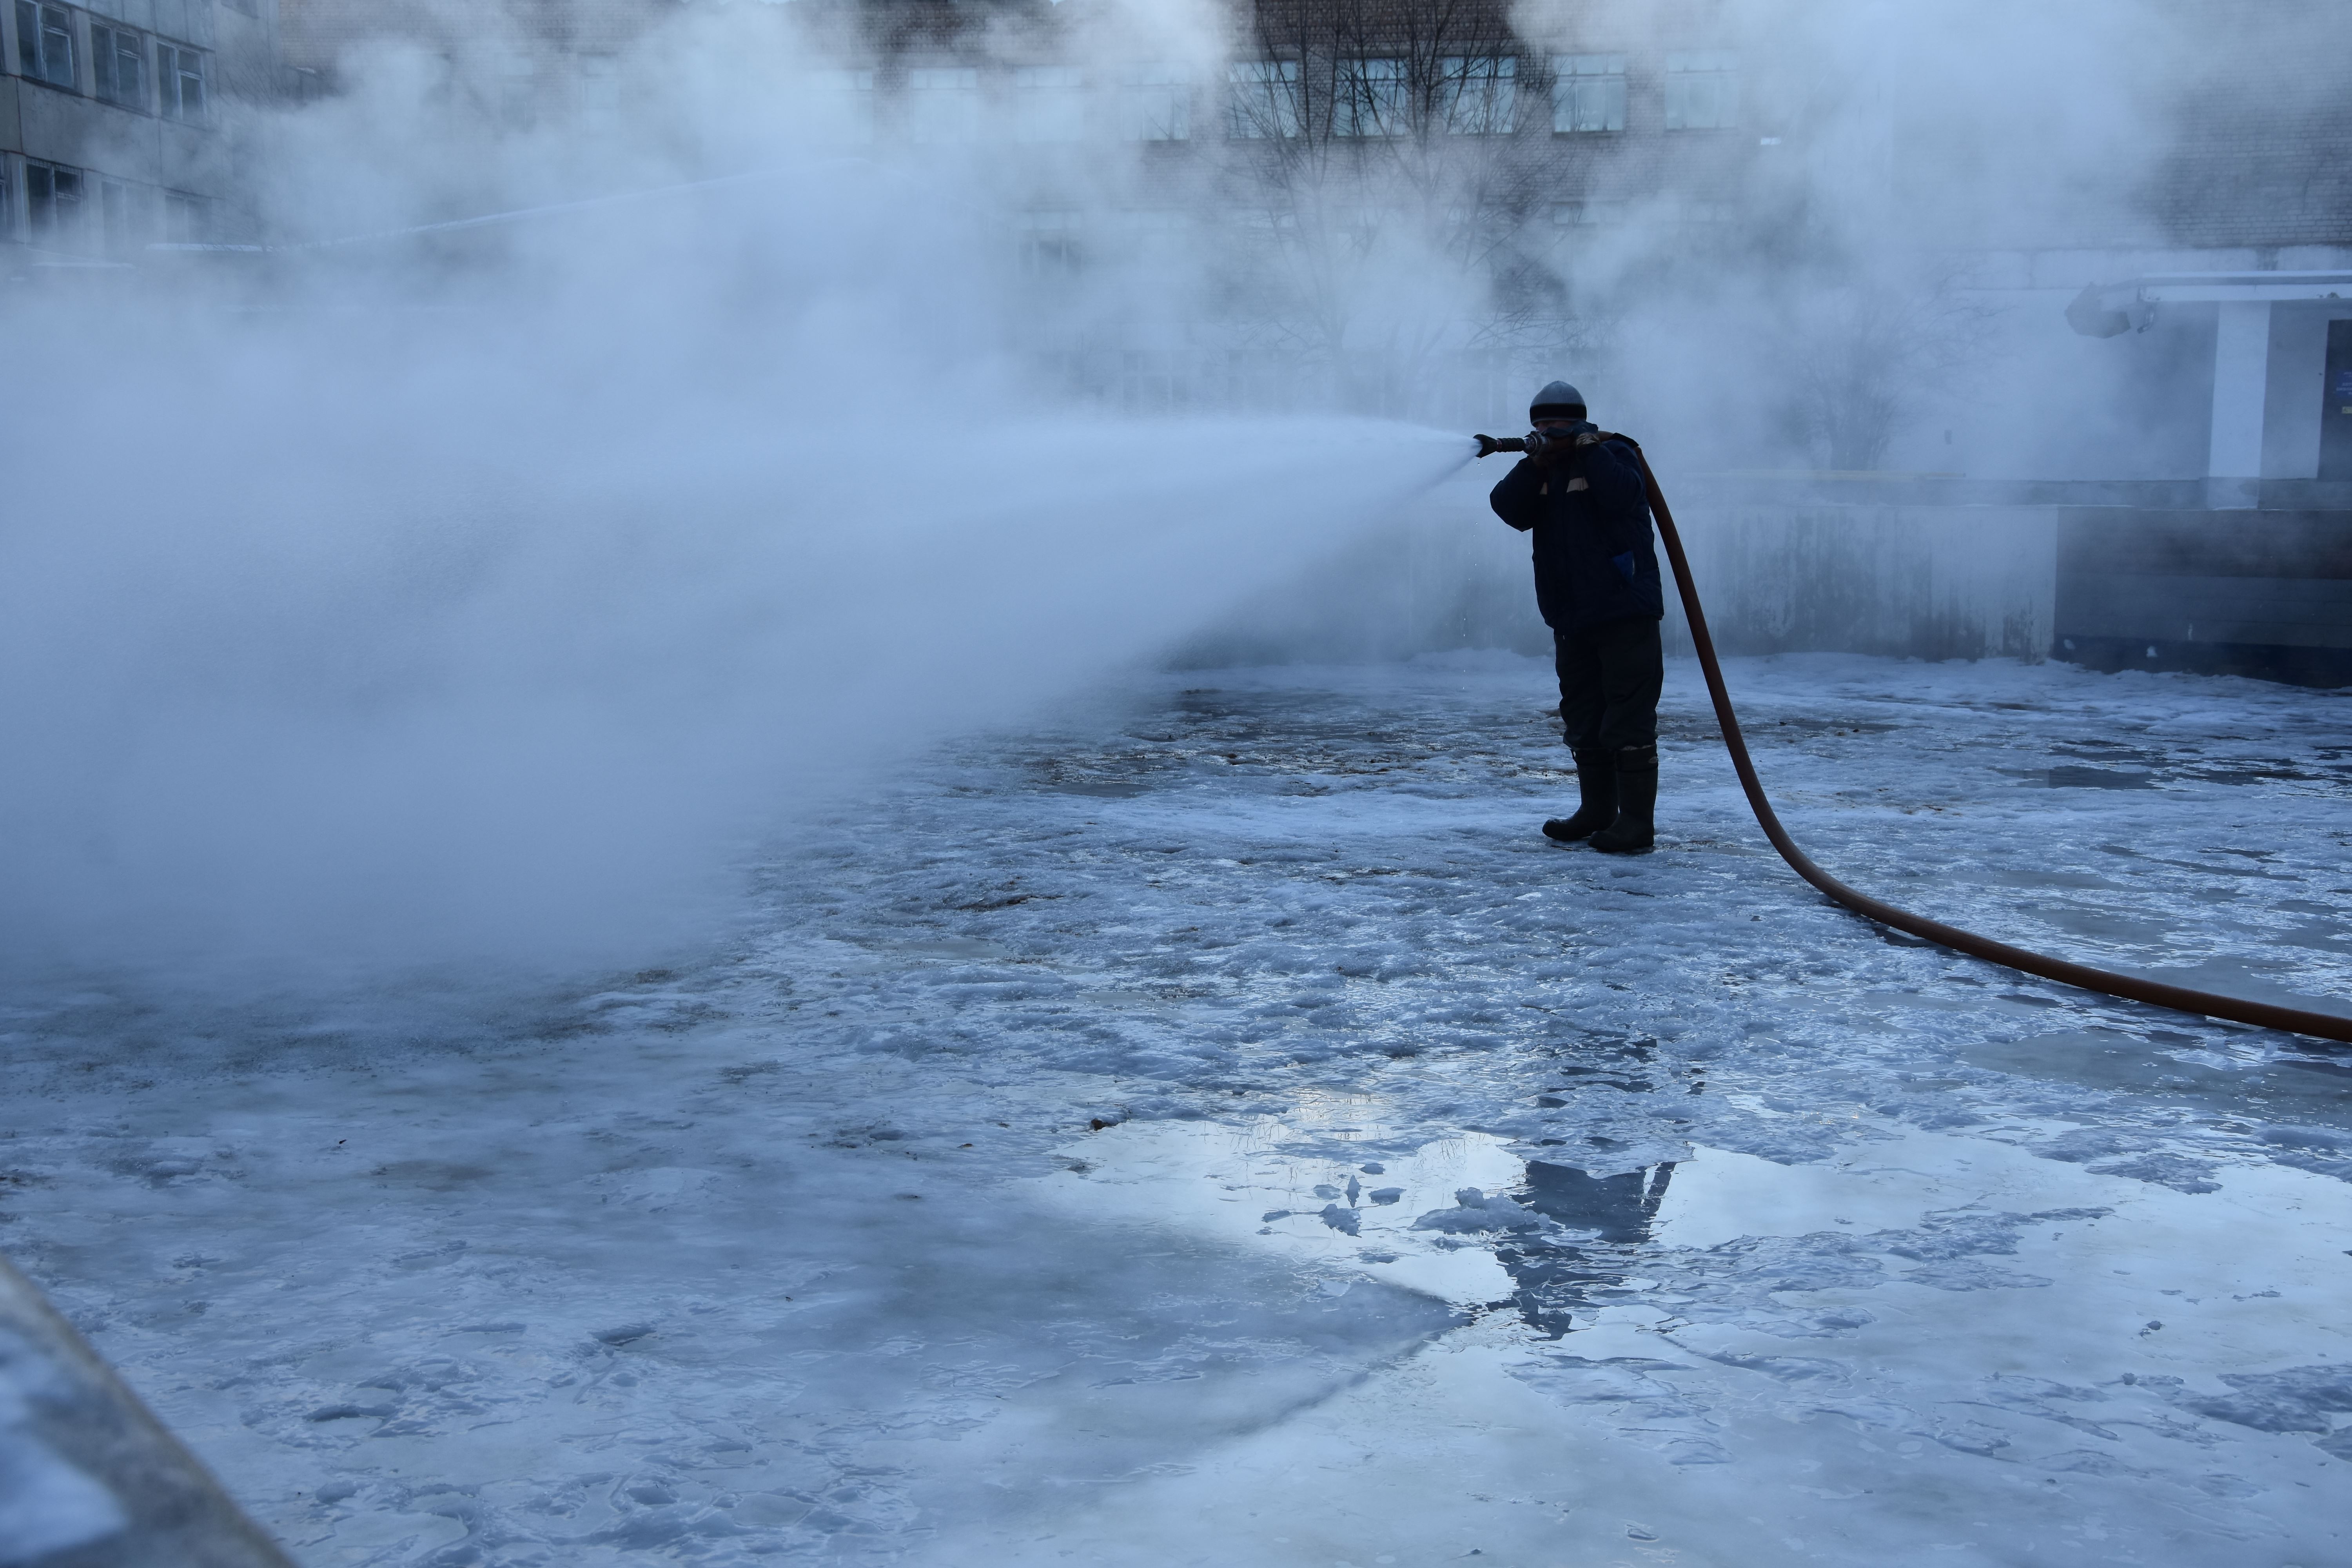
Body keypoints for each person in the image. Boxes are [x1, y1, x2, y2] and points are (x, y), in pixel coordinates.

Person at [1485, 381, 1664, 853]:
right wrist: (1534, 462)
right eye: (1539, 424)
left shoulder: (1615, 454)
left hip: (1623, 610)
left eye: (1556, 423)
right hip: (1571, 615)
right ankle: (1597, 812)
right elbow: (1507, 508)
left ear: (1580, 422)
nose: (1546, 431)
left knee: (1626, 715)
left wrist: (1589, 450)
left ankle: (1636, 825)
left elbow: (1623, 497)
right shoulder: (1543, 470)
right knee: (1583, 716)